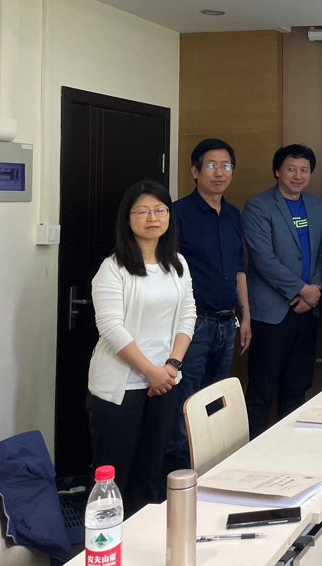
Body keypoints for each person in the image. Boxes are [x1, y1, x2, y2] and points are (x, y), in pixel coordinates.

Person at [87, 180, 196, 515]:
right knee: (114, 475)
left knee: (150, 474)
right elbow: (110, 327)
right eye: (143, 211)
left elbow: (188, 315)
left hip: (165, 382)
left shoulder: (177, 264)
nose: (153, 217)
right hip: (122, 387)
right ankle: (107, 539)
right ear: (128, 218)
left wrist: (172, 366)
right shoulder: (113, 268)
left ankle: (142, 538)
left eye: (160, 210)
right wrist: (150, 372)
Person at [162, 139, 249, 475]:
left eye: (226, 166)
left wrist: (246, 315)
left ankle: (209, 477)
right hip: (193, 327)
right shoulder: (177, 214)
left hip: (227, 324)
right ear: (195, 171)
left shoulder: (233, 215)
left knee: (214, 406)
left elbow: (239, 268)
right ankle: (177, 483)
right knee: (184, 408)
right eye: (211, 165)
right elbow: (166, 270)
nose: (219, 172)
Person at [242, 144, 322, 437]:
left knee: (297, 385)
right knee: (262, 388)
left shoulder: (314, 204)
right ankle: (253, 451)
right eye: (291, 169)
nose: (297, 175)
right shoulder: (259, 205)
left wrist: (314, 290)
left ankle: (291, 449)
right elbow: (263, 258)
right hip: (272, 312)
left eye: (304, 170)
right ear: (277, 171)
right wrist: (302, 290)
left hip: (307, 312)